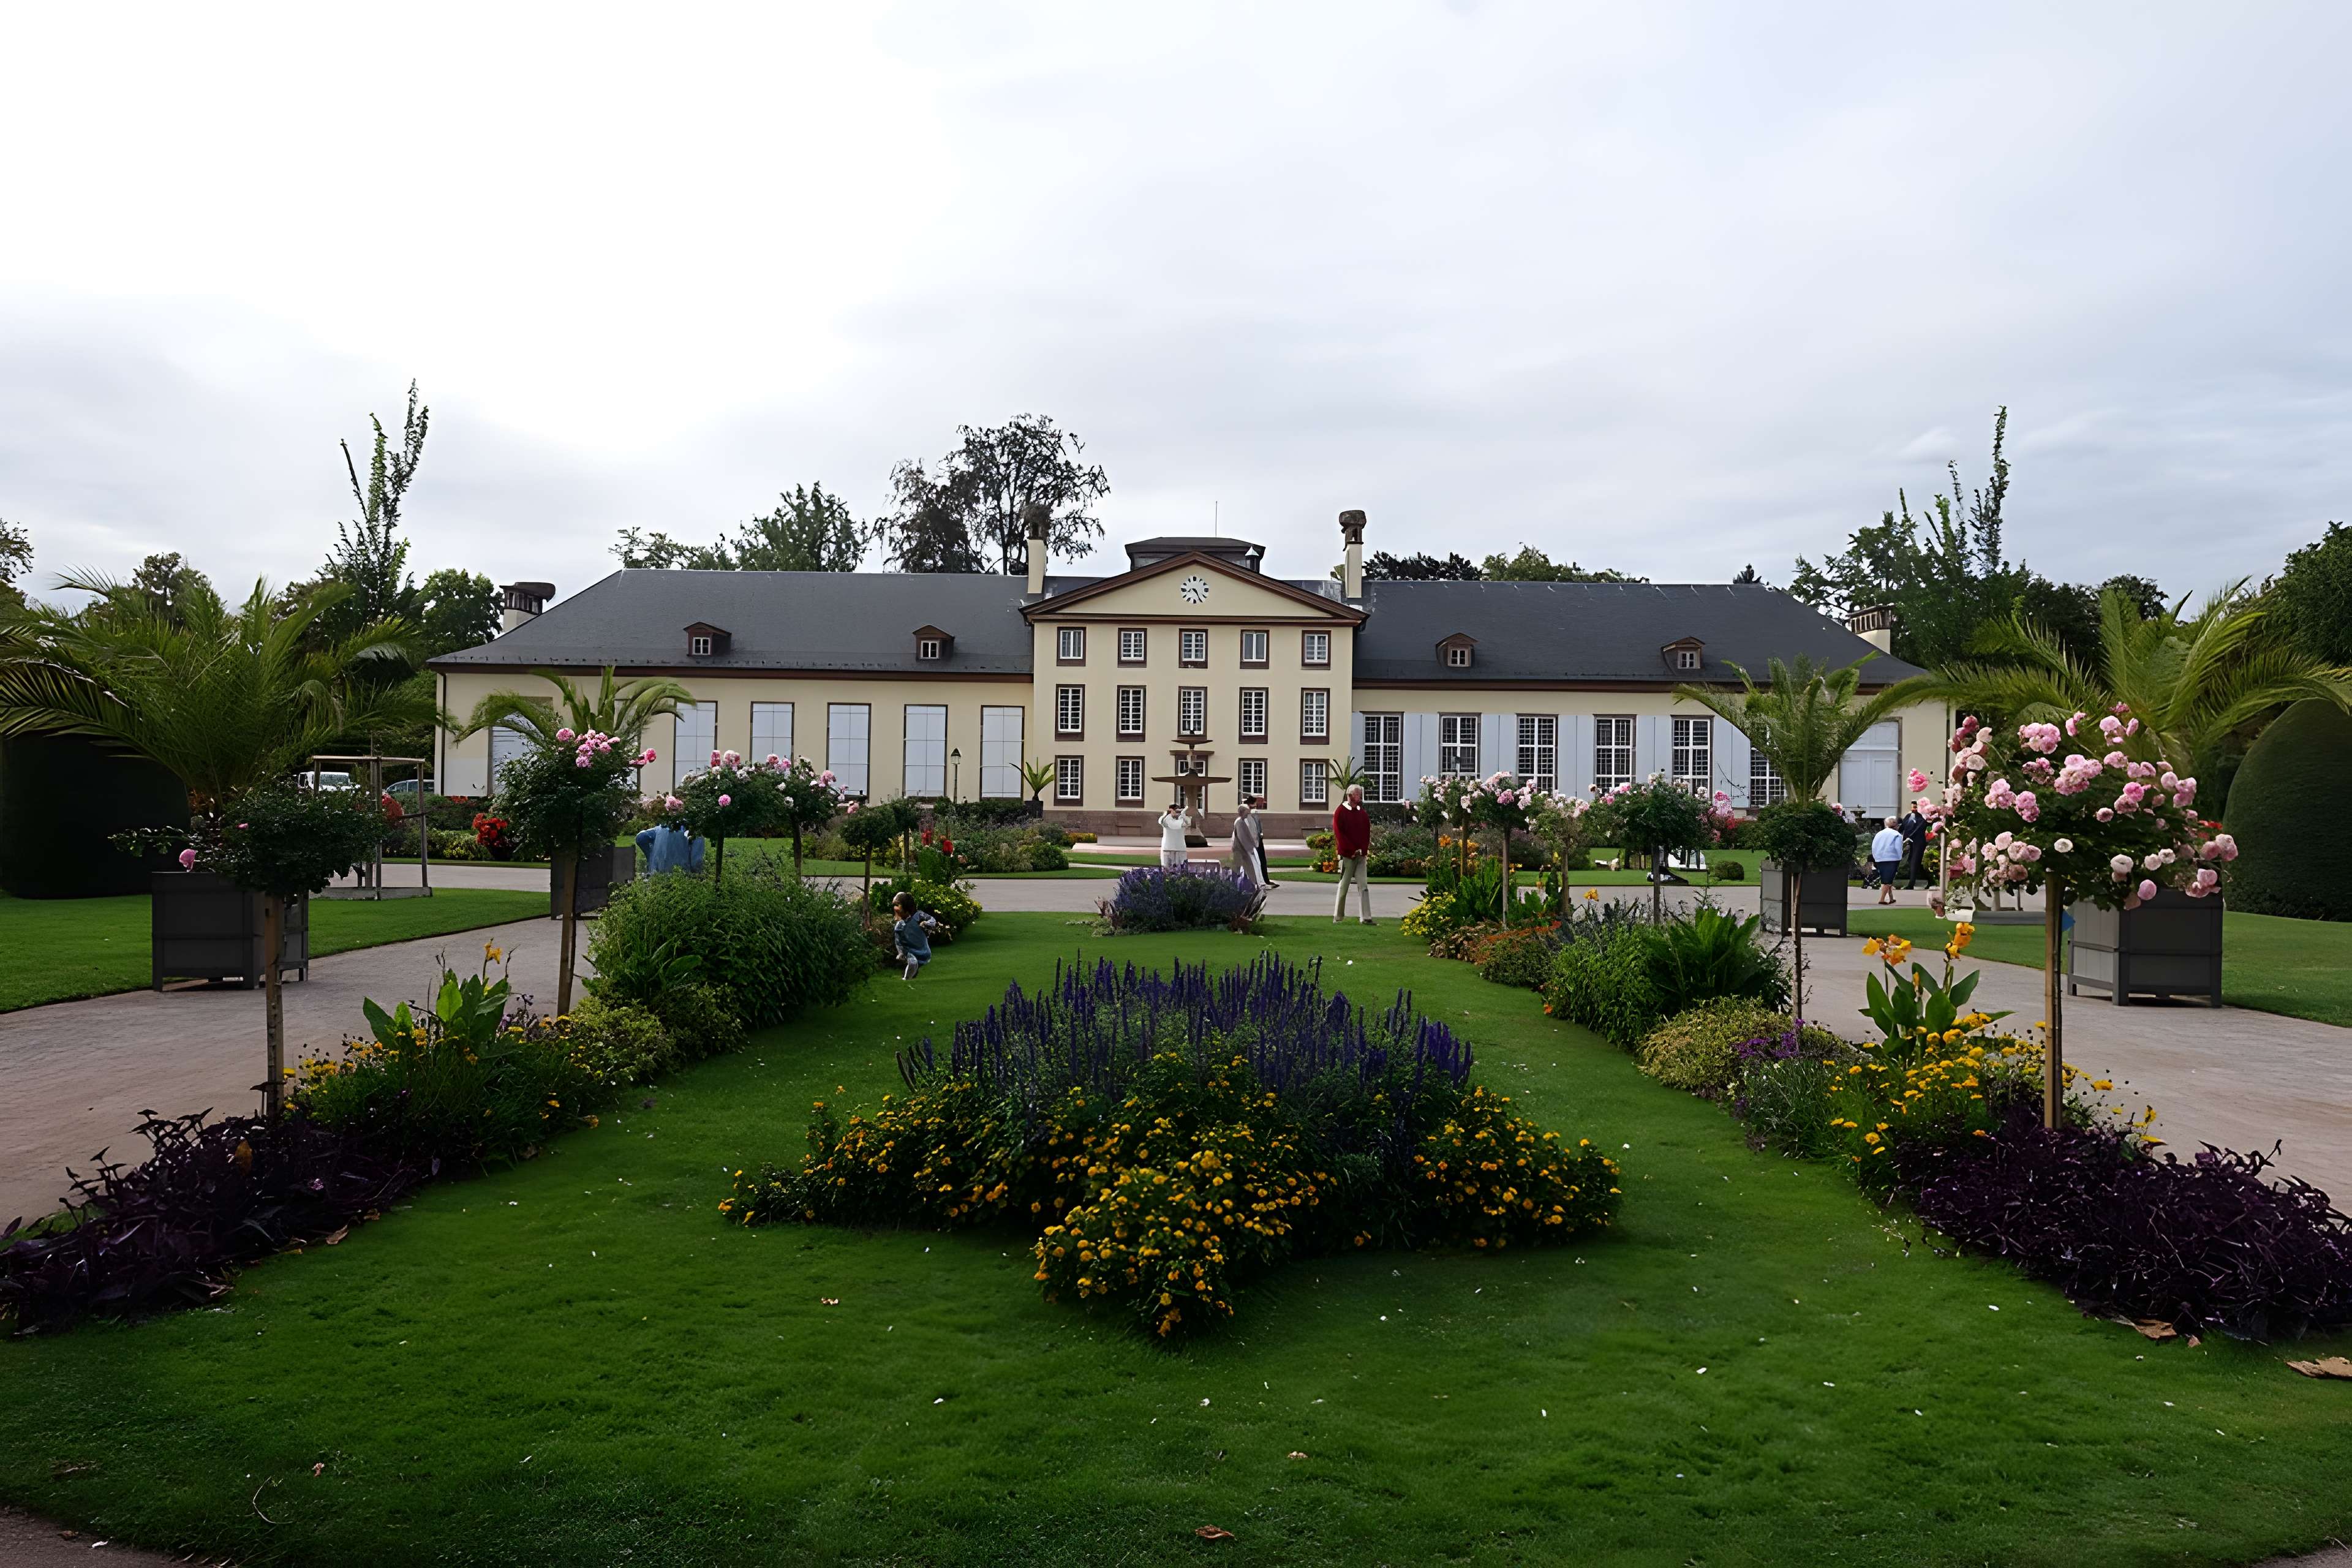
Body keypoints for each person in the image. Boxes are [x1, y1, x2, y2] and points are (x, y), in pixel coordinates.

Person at [1330, 783, 1373, 924]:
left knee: (1364, 886)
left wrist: (1363, 849)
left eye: (1359, 793)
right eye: (1357, 794)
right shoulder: (1341, 811)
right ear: (1350, 796)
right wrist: (1350, 850)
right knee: (1344, 886)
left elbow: (1366, 833)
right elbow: (1339, 834)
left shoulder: (1362, 812)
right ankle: (1338, 916)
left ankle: (1366, 917)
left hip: (1360, 855)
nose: (1359, 796)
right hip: (1348, 856)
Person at [890, 890, 940, 981]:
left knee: (917, 963)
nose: (895, 908)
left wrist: (926, 923)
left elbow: (932, 920)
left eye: (898, 905)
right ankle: (907, 979)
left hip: (924, 951)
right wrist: (901, 952)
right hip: (910, 951)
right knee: (913, 963)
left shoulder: (919, 916)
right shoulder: (900, 926)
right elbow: (898, 941)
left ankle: (912, 974)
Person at [635, 820, 706, 876]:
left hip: (657, 875)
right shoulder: (695, 833)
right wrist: (697, 875)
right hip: (682, 876)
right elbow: (696, 862)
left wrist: (651, 858)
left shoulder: (660, 829)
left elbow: (641, 838)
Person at [1226, 797, 1264, 888]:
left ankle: (1248, 884)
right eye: (1247, 812)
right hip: (1240, 850)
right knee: (1240, 867)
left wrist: (1254, 844)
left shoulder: (1242, 822)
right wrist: (1250, 848)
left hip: (1242, 849)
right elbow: (1242, 838)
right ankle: (1236, 884)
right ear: (1242, 813)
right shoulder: (1239, 823)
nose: (1248, 814)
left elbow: (1248, 836)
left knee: (1243, 867)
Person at [1869, 816, 1904, 905]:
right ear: (1897, 825)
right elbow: (1898, 848)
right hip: (1892, 859)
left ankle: (1891, 898)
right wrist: (1900, 857)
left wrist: (1876, 857)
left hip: (1880, 858)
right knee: (1887, 881)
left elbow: (1874, 846)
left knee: (1888, 879)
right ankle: (1882, 899)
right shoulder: (1897, 835)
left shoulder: (1879, 834)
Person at [1898, 804, 1929, 889]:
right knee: (1913, 861)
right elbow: (1903, 827)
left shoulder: (1922, 818)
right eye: (1913, 807)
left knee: (1914, 862)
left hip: (1919, 842)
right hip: (1911, 842)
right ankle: (1930, 880)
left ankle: (1911, 884)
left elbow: (1918, 828)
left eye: (1916, 807)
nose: (1914, 809)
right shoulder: (1909, 816)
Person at [1158, 801, 1193, 869]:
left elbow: (1189, 822)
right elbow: (1162, 821)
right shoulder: (1166, 819)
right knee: (1167, 870)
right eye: (1175, 810)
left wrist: (1183, 814)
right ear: (1170, 810)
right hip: (1168, 849)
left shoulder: (1183, 819)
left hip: (1180, 848)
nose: (1177, 812)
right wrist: (1167, 814)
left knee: (1182, 871)